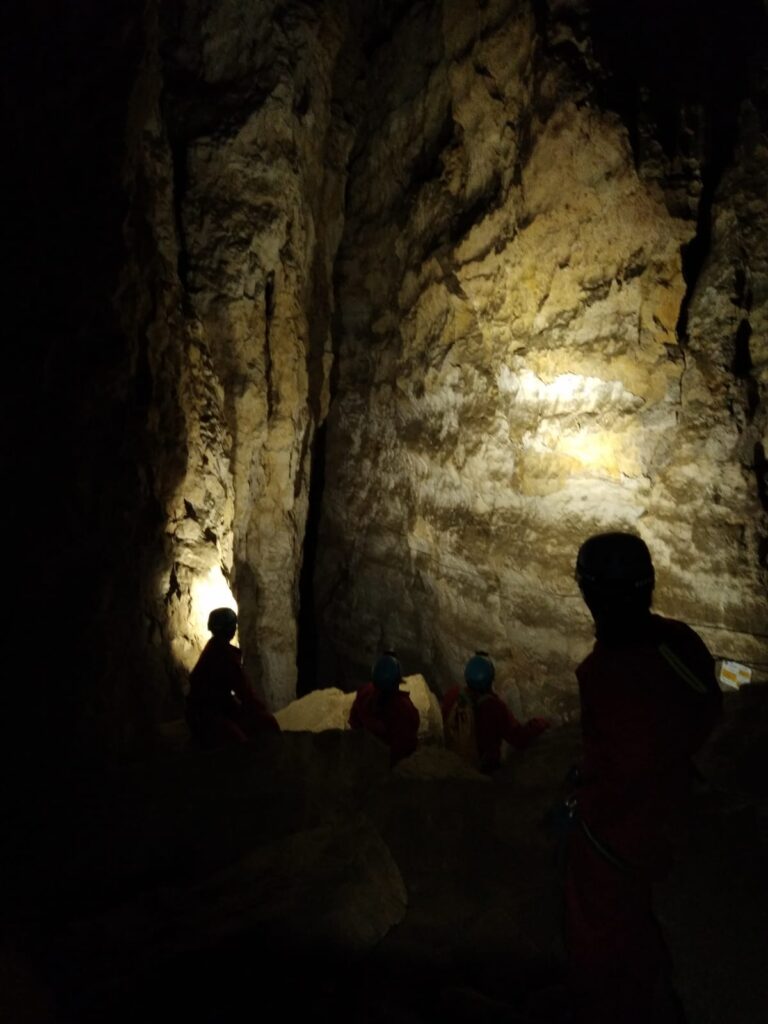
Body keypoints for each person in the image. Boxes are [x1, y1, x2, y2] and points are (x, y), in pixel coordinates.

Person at [564, 531, 722, 1024]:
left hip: (627, 840)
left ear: (590, 595)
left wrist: (580, 806)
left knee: (604, 934)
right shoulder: (681, 643)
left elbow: (626, 773)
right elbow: (709, 709)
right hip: (681, 807)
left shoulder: (607, 673)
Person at [186, 607, 279, 748]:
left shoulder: (213, 648)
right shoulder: (224, 654)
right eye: (233, 625)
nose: (235, 628)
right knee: (240, 744)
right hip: (206, 713)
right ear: (228, 628)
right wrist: (261, 709)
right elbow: (244, 690)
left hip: (208, 709)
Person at [442, 652, 549, 772]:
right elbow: (519, 738)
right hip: (483, 767)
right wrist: (539, 724)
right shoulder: (494, 707)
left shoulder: (453, 694)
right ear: (491, 679)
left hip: (454, 759)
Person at [348, 652, 420, 765]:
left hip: (366, 755)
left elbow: (354, 721)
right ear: (397, 681)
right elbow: (407, 746)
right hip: (389, 763)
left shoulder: (364, 693)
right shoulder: (404, 709)